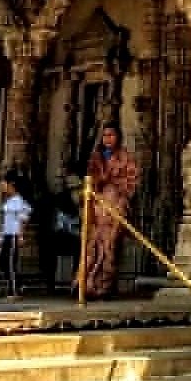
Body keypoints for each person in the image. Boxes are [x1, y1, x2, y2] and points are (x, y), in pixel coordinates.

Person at [78, 123, 139, 301]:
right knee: (91, 246)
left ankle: (105, 286)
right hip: (97, 208)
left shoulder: (125, 157)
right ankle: (86, 285)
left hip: (115, 207)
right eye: (105, 136)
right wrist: (98, 182)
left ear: (118, 137)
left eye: (111, 135)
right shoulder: (95, 158)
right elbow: (89, 180)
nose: (108, 139)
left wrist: (115, 184)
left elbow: (132, 180)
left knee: (109, 247)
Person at [0, 172, 32, 300]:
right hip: (7, 234)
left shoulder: (19, 201)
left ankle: (14, 291)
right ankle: (19, 284)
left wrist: (21, 235)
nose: (2, 188)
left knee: (11, 263)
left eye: (4, 185)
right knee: (2, 262)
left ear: (11, 185)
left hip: (14, 235)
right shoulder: (9, 201)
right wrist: (2, 235)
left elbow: (23, 218)